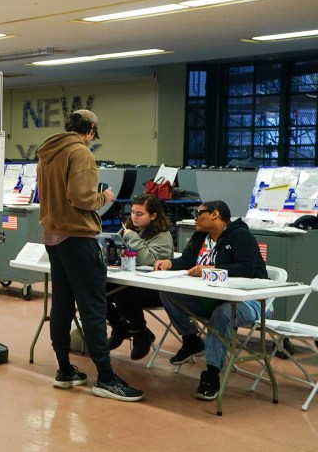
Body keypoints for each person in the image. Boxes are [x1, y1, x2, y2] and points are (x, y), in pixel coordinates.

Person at [36, 109, 143, 402]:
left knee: (62, 305)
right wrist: (104, 197)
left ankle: (65, 369)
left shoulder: (47, 152)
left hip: (53, 237)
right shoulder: (80, 153)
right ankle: (106, 379)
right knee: (93, 308)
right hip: (77, 238)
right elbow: (81, 198)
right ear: (91, 130)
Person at [153, 200, 267, 401]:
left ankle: (211, 375)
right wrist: (170, 263)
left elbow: (246, 269)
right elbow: (187, 262)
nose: (195, 218)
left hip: (249, 301)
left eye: (199, 214)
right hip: (210, 298)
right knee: (167, 293)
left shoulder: (241, 236)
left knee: (222, 314)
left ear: (215, 214)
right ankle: (191, 341)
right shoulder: (200, 237)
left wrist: (210, 269)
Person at [106, 194, 174, 360]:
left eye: (139, 214)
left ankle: (140, 333)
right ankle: (119, 326)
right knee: (95, 288)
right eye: (132, 213)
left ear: (153, 215)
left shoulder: (163, 237)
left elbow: (149, 260)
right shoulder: (133, 230)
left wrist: (130, 237)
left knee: (123, 296)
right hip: (132, 282)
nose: (134, 217)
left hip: (157, 289)